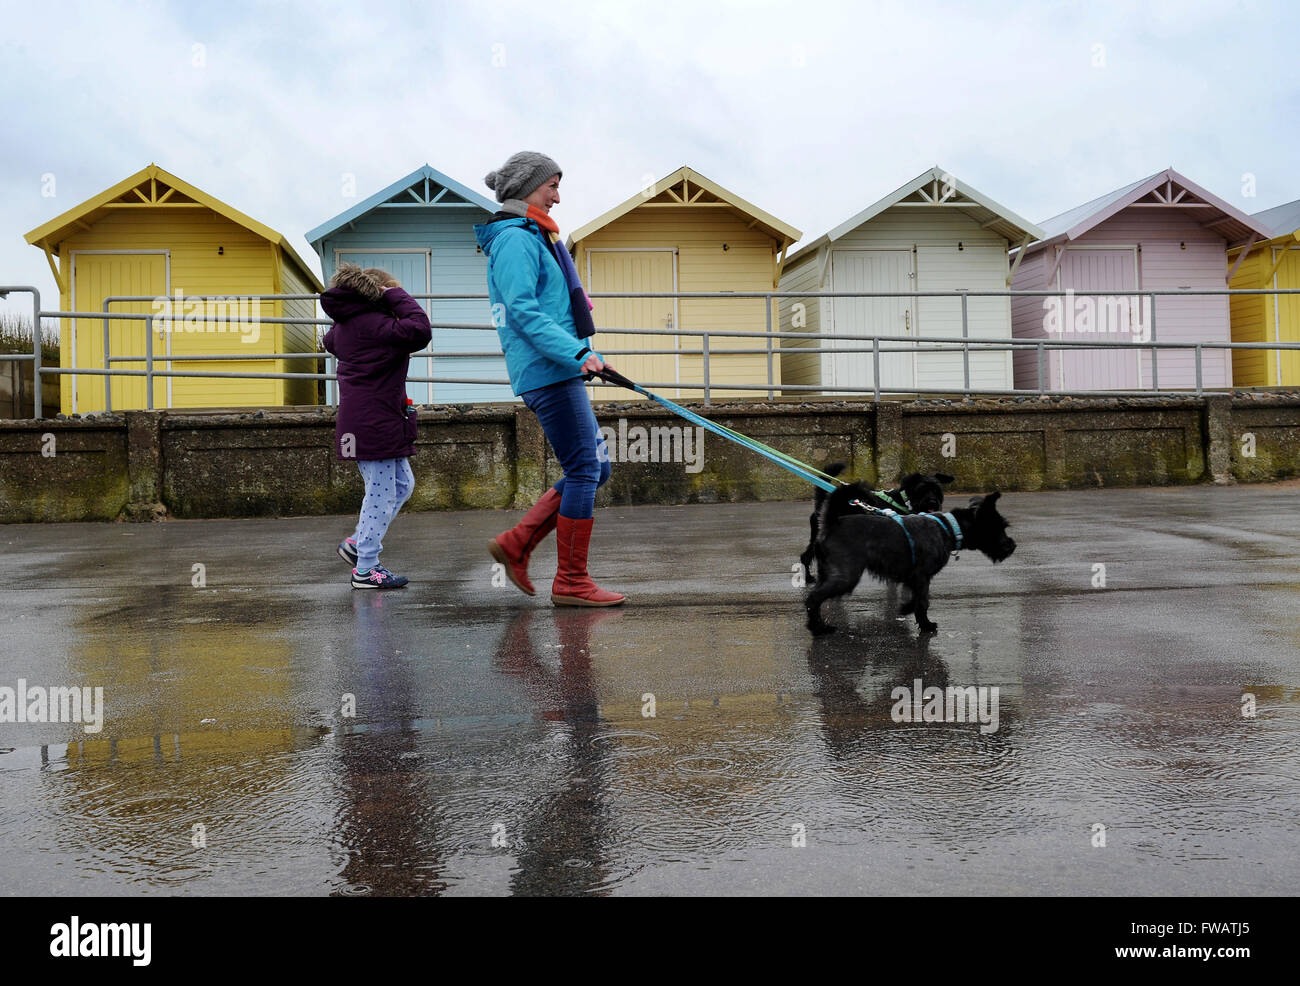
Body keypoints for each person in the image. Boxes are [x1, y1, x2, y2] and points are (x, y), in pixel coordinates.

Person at [474, 151, 625, 607]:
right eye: (551, 186)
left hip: (557, 366)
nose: (558, 196)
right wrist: (577, 353)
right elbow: (523, 311)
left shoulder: (535, 236)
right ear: (526, 188)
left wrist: (585, 355)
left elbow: (549, 310)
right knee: (585, 469)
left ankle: (518, 543)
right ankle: (571, 582)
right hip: (547, 369)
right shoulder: (516, 240)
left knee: (595, 468)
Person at [322, 263, 432, 589]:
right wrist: (394, 295)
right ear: (378, 297)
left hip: (365, 424)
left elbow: (331, 339)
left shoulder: (347, 328)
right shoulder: (378, 327)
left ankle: (358, 544)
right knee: (381, 495)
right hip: (375, 424)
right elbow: (421, 330)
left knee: (400, 485)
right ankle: (366, 569)